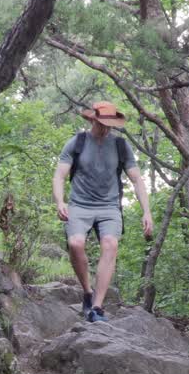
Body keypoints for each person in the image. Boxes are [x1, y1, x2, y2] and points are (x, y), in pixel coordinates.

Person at [53, 101, 152, 322]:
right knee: (76, 244)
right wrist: (60, 201)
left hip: (109, 207)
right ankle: (87, 292)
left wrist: (147, 211)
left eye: (110, 125)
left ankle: (97, 307)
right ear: (92, 119)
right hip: (79, 204)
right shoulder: (77, 142)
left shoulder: (120, 145)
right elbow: (59, 175)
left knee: (111, 244)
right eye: (102, 123)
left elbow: (136, 179)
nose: (106, 128)